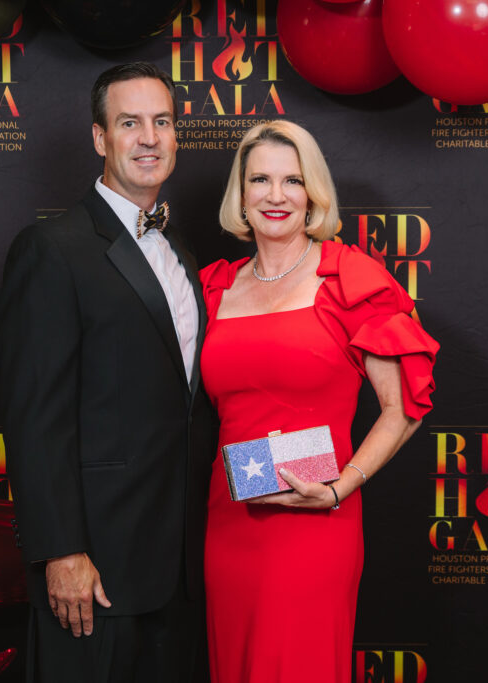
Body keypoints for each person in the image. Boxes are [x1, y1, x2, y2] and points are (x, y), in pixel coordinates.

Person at [198, 120, 439, 683]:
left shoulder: (348, 279)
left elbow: (404, 406)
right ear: (241, 193)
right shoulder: (216, 287)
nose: (276, 196)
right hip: (230, 522)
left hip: (314, 521)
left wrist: (341, 486)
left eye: (292, 180)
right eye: (260, 179)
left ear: (313, 194)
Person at [0, 62, 213, 683]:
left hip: (178, 568)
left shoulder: (181, 257)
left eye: (162, 122)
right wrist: (60, 550)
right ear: (99, 138)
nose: (149, 137)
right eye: (129, 123)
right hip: (95, 570)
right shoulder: (52, 248)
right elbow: (35, 415)